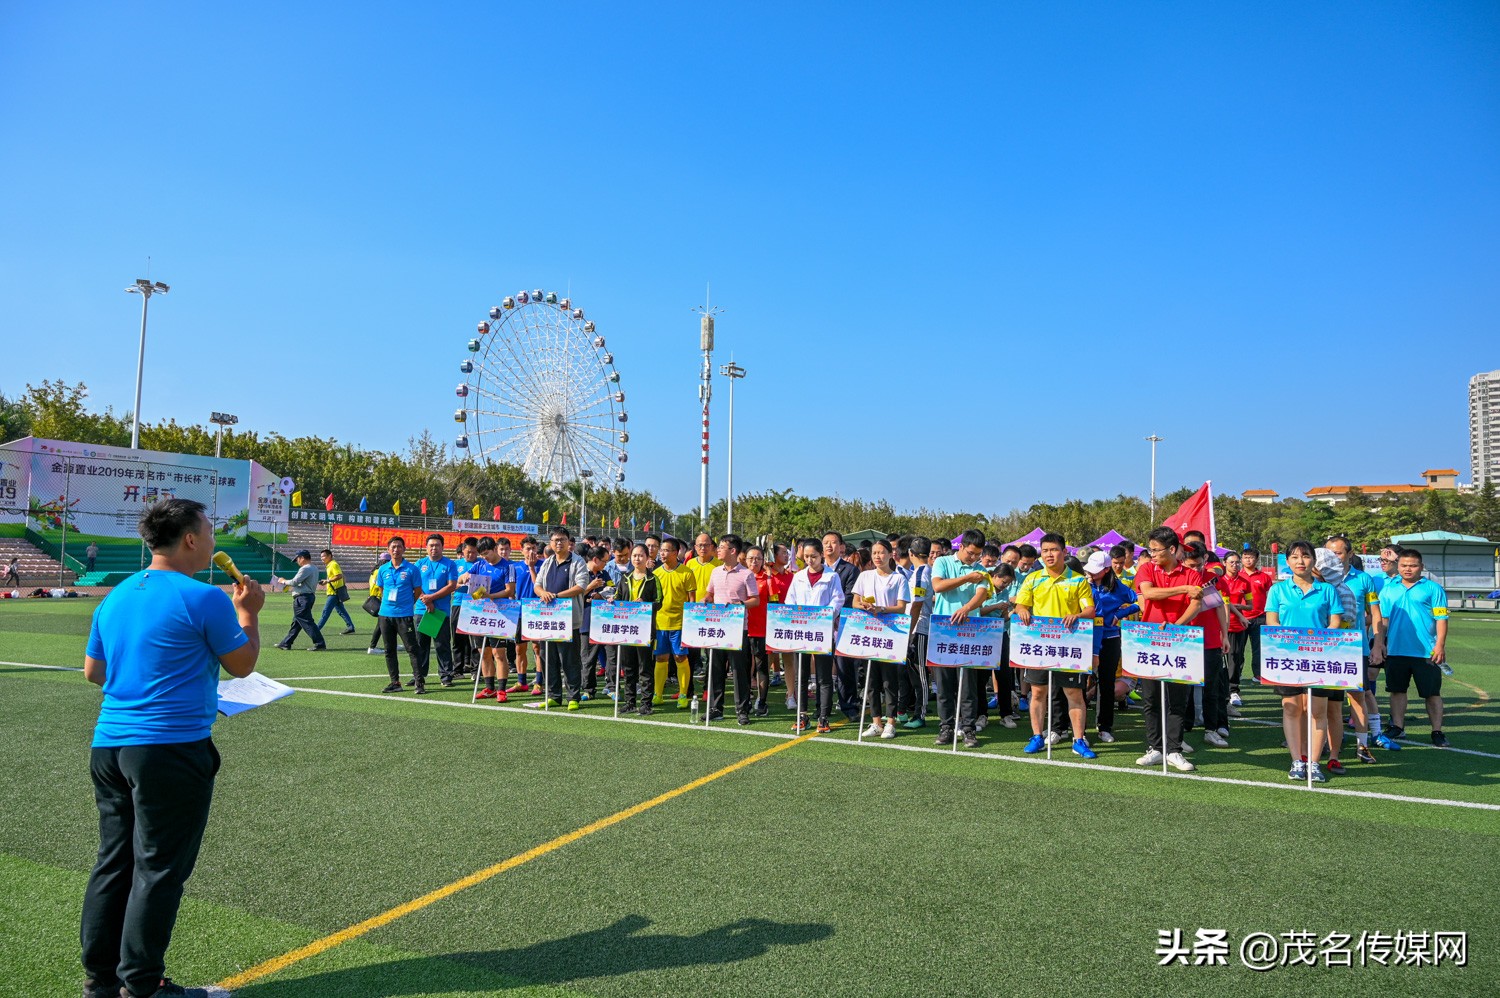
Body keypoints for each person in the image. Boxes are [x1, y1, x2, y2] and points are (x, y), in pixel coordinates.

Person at [80, 498, 264, 998]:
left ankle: (100, 981)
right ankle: (141, 985)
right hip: (170, 748)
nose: (212, 539)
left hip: (110, 746)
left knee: (113, 861)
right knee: (158, 868)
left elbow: (94, 673)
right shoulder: (201, 597)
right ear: (189, 539)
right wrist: (247, 612)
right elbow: (243, 665)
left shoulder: (115, 594)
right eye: (208, 530)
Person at [1012, 532, 1097, 758]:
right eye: (1045, 550)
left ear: (1064, 551)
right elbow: (1021, 605)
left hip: (1069, 647)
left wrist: (1078, 615)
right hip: (1040, 646)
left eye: (1054, 550)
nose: (1049, 554)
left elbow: (1090, 611)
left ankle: (1079, 740)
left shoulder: (1078, 580)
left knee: (1073, 693)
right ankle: (1037, 737)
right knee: (1038, 692)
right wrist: (1021, 611)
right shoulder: (1033, 578)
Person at [1265, 540, 1344, 781]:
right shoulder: (1278, 590)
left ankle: (1314, 762)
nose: (1301, 561)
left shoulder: (1327, 590)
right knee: (1292, 708)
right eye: (1296, 557)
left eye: (1306, 556)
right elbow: (1272, 621)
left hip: (1319, 658)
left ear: (1313, 560)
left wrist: (1322, 643)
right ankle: (1297, 761)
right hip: (1288, 658)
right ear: (1287, 561)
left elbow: (1335, 622)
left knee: (1317, 710)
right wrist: (1289, 643)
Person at [1134, 527, 1205, 773]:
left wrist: (1175, 626)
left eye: (1156, 550)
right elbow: (1149, 593)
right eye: (1150, 549)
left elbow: (1196, 604)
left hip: (1181, 640)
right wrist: (1183, 589)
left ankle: (1173, 750)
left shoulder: (1191, 573)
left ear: (1172, 549)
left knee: (1177, 699)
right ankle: (1155, 748)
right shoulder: (1146, 569)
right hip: (1149, 639)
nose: (1151, 554)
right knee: (1151, 698)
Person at [1324, 534, 1393, 762]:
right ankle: (1325, 740)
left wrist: (1378, 644)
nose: (1333, 557)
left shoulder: (1364, 579)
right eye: (1329, 553)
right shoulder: (1319, 579)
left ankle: (1362, 745)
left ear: (1350, 554)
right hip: (1324, 649)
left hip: (1355, 648)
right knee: (1326, 700)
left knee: (1358, 696)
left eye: (1338, 552)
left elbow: (1375, 614)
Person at [1375, 547, 1450, 747]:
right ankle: (1397, 728)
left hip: (1426, 651)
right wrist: (1380, 643)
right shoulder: (1389, 589)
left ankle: (1437, 731)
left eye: (1413, 565)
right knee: (1397, 691)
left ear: (1421, 567)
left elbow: (1441, 619)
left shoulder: (1433, 589)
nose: (1408, 569)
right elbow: (1383, 619)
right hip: (1396, 650)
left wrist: (1440, 645)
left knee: (1432, 693)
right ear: (1397, 566)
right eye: (1404, 565)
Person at [931, 529, 992, 749]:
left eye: (977, 554)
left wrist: (966, 608)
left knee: (968, 686)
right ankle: (946, 727)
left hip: (970, 631)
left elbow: (981, 594)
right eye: (971, 553)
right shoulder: (943, 562)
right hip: (944, 629)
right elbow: (938, 586)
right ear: (962, 546)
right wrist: (966, 577)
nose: (973, 558)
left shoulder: (981, 570)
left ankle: (969, 729)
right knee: (944, 684)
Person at [853, 538, 911, 740]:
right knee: (871, 679)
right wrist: (866, 607)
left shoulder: (898, 579)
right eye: (874, 553)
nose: (878, 556)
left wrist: (881, 609)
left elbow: (902, 607)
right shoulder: (865, 576)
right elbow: (855, 602)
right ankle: (876, 721)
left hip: (890, 634)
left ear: (890, 554)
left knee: (889, 681)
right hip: (868, 633)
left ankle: (891, 722)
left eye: (881, 552)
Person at [785, 539, 846, 732]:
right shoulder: (799, 577)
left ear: (821, 556)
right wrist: (797, 614)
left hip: (822, 631)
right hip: (801, 631)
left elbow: (838, 599)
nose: (810, 560)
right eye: (806, 557)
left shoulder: (832, 576)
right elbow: (790, 600)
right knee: (801, 675)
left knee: (823, 676)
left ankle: (823, 716)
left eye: (814, 557)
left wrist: (824, 615)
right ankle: (802, 715)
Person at [1082, 549, 1137, 745]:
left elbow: (1138, 600)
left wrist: (1120, 615)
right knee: (1080, 682)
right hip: (1085, 637)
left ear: (1106, 570)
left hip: (1110, 638)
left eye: (1095, 570)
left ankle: (1104, 727)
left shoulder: (1118, 587)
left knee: (1106, 684)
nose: (1090, 573)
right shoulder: (1083, 584)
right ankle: (1077, 729)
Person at [703, 534, 760, 724]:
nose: (718, 549)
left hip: (737, 628)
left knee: (739, 671)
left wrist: (739, 605)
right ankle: (715, 708)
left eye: (721, 547)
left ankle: (742, 710)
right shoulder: (715, 572)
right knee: (715, 669)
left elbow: (755, 600)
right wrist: (705, 599)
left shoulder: (746, 574)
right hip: (717, 627)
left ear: (733, 551)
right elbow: (710, 593)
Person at [534, 527, 592, 709]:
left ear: (569, 542)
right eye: (555, 540)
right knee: (548, 658)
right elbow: (537, 585)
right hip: (548, 620)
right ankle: (553, 695)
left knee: (570, 659)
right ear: (551, 543)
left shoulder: (577, 561)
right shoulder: (547, 562)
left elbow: (581, 586)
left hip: (569, 619)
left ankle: (573, 696)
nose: (559, 543)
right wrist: (543, 593)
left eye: (562, 539)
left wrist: (556, 596)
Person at [465, 536, 517, 701]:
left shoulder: (508, 567)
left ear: (495, 549)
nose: (484, 557)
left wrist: (490, 595)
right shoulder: (479, 564)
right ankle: (489, 688)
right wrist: (464, 578)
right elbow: (463, 577)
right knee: (484, 653)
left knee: (499, 653)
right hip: (480, 613)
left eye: (486, 553)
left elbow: (510, 591)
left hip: (500, 614)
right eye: (482, 554)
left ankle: (502, 690)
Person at [650, 538, 697, 706]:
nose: (662, 553)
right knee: (661, 658)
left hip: (679, 623)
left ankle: (684, 694)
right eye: (661, 550)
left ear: (676, 553)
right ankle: (658, 694)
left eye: (666, 550)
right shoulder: (656, 573)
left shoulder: (686, 572)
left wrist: (690, 622)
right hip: (660, 623)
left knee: (679, 657)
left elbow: (692, 600)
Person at [375, 537, 424, 693]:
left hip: (404, 615)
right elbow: (382, 590)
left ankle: (419, 682)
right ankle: (395, 683)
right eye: (393, 547)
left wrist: (407, 603)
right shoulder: (382, 570)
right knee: (389, 650)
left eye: (399, 547)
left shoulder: (412, 569)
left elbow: (417, 591)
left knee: (412, 648)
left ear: (404, 549)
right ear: (388, 549)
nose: (396, 550)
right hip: (385, 615)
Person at [412, 534, 460, 687]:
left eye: (437, 545)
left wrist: (431, 598)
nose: (434, 548)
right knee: (421, 645)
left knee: (442, 645)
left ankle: (446, 676)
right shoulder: (420, 564)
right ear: (426, 547)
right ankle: (419, 675)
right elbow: (414, 586)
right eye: (431, 545)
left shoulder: (449, 564)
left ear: (442, 547)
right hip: (421, 610)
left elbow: (451, 586)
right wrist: (426, 600)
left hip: (441, 612)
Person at [746, 545, 789, 716]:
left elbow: (775, 604)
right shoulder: (741, 576)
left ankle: (762, 702)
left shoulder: (768, 579)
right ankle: (745, 699)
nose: (754, 561)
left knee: (761, 667)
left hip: (761, 629)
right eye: (751, 558)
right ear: (745, 560)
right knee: (743, 667)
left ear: (763, 561)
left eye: (758, 558)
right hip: (741, 628)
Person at [823, 531, 862, 720]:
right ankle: (823, 706)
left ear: (841, 547)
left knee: (845, 668)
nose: (829, 546)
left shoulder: (850, 569)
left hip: (841, 623)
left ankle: (850, 705)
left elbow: (849, 596)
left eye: (833, 543)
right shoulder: (817, 569)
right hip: (819, 625)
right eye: (826, 543)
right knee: (823, 668)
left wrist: (832, 612)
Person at [1236, 545, 1275, 693]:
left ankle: (1258, 674)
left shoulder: (1264, 577)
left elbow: (1270, 596)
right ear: (1242, 559)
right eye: (1245, 557)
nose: (1248, 560)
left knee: (1258, 648)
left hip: (1259, 617)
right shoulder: (1237, 576)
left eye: (1251, 557)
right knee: (1238, 649)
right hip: (1240, 617)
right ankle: (1237, 674)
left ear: (1257, 559)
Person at [274, 550, 326, 652]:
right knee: (297, 622)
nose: (297, 562)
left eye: (297, 559)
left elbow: (294, 582)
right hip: (308, 597)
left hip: (302, 598)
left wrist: (282, 581)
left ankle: (320, 643)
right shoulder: (314, 568)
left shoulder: (305, 568)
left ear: (302, 558)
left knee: (306, 621)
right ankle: (286, 643)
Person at [449, 537, 478, 677]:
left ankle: (476, 670)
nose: (470, 555)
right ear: (463, 550)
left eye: (473, 552)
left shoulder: (482, 564)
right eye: (468, 552)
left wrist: (474, 588)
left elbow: (486, 585)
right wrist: (461, 585)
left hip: (475, 605)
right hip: (458, 603)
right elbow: (449, 585)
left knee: (475, 639)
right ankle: (457, 669)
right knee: (457, 638)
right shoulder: (455, 564)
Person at [314, 548, 356, 635]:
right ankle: (350, 626)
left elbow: (339, 575)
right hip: (334, 591)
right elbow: (340, 576)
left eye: (324, 556)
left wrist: (328, 581)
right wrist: (326, 581)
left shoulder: (333, 564)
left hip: (334, 593)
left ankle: (316, 630)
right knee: (341, 611)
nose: (322, 558)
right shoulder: (330, 565)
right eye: (321, 557)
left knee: (326, 612)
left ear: (330, 556)